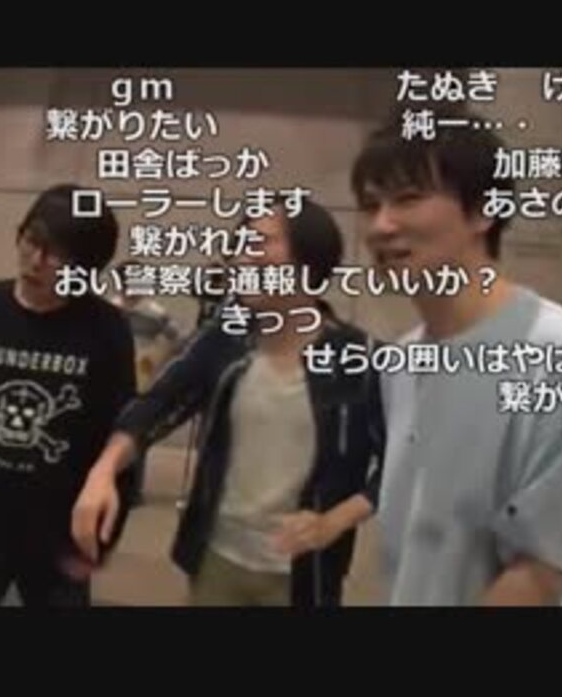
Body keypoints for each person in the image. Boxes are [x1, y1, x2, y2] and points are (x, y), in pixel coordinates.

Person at [352, 106, 562, 606]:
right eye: (370, 205)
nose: (382, 225)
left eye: (408, 198)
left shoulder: (559, 354)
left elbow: (537, 575)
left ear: (483, 211)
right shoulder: (401, 364)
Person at [71, 200, 386, 607]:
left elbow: (402, 461)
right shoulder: (225, 338)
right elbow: (159, 403)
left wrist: (335, 521)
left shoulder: (360, 358)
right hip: (217, 561)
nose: (240, 258)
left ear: (309, 260)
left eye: (259, 243)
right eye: (238, 246)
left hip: (305, 574)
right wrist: (104, 470)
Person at [0, 184, 136, 607]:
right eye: (32, 241)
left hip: (58, 535)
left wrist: (103, 536)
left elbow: (124, 433)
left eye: (58, 255)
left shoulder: (107, 328)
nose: (36, 261)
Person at [110, 260, 182, 506]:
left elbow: (176, 341)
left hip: (141, 381)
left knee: (136, 432)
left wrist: (156, 359)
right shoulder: (109, 309)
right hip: (112, 379)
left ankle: (133, 489)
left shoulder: (156, 313)